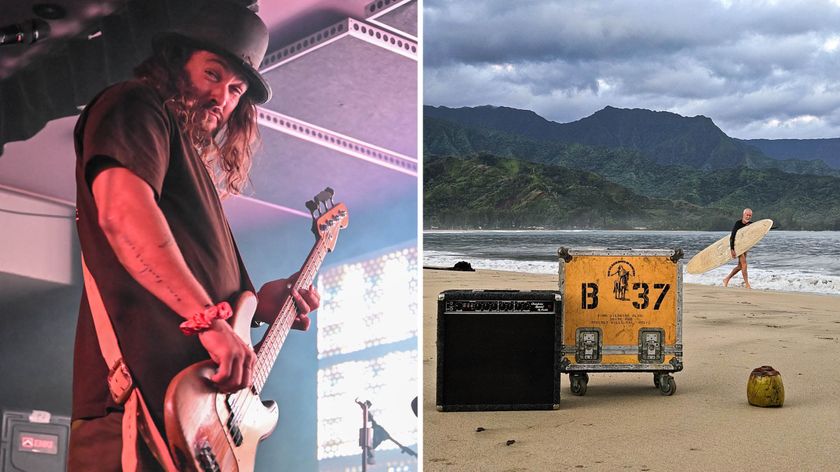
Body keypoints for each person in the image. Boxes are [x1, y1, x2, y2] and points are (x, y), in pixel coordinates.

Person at [67, 1, 320, 470]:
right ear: (174, 62)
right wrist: (208, 321)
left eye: (235, 88)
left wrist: (257, 306)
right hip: (140, 410)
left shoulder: (193, 170)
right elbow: (124, 215)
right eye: (212, 73)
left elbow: (194, 282)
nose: (222, 97)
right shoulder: (134, 103)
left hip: (198, 428)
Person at [723, 208, 753, 289]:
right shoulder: (738, 223)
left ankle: (726, 279)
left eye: (750, 215)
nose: (748, 217)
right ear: (743, 215)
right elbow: (732, 237)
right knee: (744, 265)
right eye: (747, 215)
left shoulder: (750, 224)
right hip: (737, 246)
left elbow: (760, 228)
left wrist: (769, 227)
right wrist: (732, 249)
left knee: (740, 266)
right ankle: (747, 284)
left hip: (744, 247)